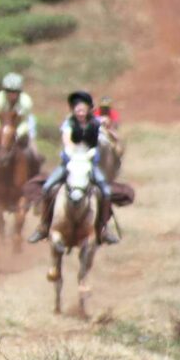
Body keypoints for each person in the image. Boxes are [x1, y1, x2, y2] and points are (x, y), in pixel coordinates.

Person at [27, 90, 119, 245]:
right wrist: (73, 152)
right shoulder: (68, 123)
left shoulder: (96, 124)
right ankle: (43, 226)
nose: (80, 112)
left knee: (106, 191)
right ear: (73, 110)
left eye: (83, 109)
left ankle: (104, 227)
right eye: (77, 109)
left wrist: (98, 146)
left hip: (89, 165)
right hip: (70, 164)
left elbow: (104, 139)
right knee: (48, 187)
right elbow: (67, 139)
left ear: (89, 109)